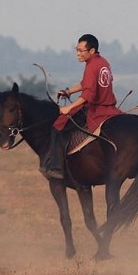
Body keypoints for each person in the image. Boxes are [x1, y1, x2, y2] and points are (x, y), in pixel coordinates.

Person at [40, 34, 123, 179]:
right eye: (76, 50)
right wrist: (69, 91)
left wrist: (68, 108)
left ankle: (56, 167)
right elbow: (86, 83)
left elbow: (88, 95)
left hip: (97, 110)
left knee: (58, 126)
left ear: (92, 51)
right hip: (110, 108)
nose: (78, 53)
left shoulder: (91, 66)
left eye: (81, 50)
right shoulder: (103, 62)